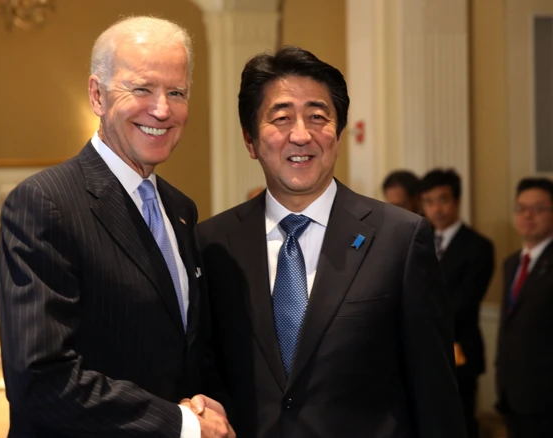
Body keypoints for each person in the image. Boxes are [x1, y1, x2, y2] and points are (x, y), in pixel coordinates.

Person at [196, 46, 465, 437]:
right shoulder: (212, 243)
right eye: (282, 117)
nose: (301, 135)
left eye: (318, 117)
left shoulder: (400, 239)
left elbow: (435, 393)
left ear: (338, 134)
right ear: (251, 141)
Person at [0, 16, 232, 438]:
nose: (162, 109)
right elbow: (40, 378)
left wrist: (202, 408)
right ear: (97, 94)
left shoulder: (180, 209)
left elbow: (184, 351)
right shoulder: (45, 203)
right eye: (141, 88)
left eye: (176, 92)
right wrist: (180, 424)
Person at [419, 168, 495, 438]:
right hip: (421, 349)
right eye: (429, 201)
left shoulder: (478, 246)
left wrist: (418, 322)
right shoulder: (418, 242)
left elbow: (465, 302)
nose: (436, 208)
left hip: (459, 346)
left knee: (460, 422)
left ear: (457, 200)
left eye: (443, 200)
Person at [496, 177, 553, 438]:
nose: (528, 215)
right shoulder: (511, 263)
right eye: (521, 208)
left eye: (539, 209)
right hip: (512, 390)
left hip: (545, 396)